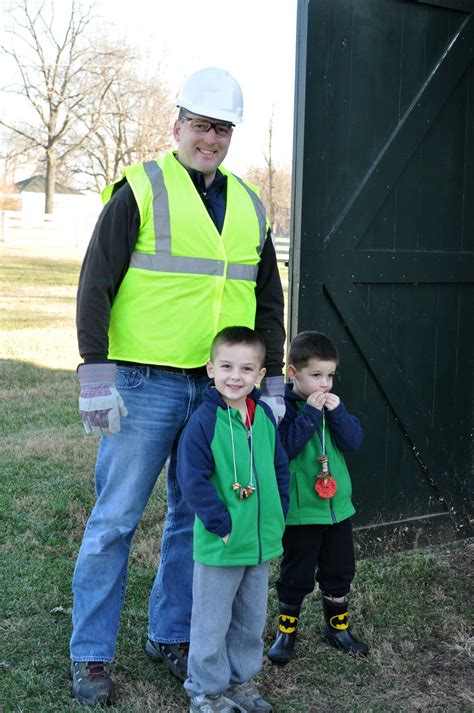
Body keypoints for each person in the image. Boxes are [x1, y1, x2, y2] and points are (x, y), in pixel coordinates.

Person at [71, 67, 286, 706]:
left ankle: (170, 635)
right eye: (201, 125)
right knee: (115, 520)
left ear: (230, 135)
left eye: (222, 129)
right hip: (143, 383)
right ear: (178, 125)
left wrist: (269, 379)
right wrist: (94, 372)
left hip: (221, 390)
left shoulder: (249, 204)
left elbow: (266, 297)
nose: (210, 138)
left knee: (194, 521)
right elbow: (95, 282)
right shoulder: (142, 188)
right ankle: (90, 655)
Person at [176, 326, 290, 713]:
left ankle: (240, 681)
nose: (235, 377)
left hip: (259, 543)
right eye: (226, 366)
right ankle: (206, 691)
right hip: (222, 544)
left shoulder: (265, 419)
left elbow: (279, 469)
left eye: (246, 369)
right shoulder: (203, 424)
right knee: (211, 623)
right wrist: (219, 524)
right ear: (210, 369)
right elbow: (190, 479)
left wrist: (279, 512)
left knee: (249, 619)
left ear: (260, 375)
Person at [267, 331, 368, 666]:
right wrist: (310, 414)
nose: (325, 384)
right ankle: (287, 630)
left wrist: (337, 414)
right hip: (301, 510)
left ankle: (337, 627)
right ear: (293, 373)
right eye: (316, 376)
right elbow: (287, 449)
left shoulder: (333, 406)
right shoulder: (282, 407)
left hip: (337, 508)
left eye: (330, 376)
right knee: (296, 572)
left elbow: (353, 442)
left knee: (340, 569)